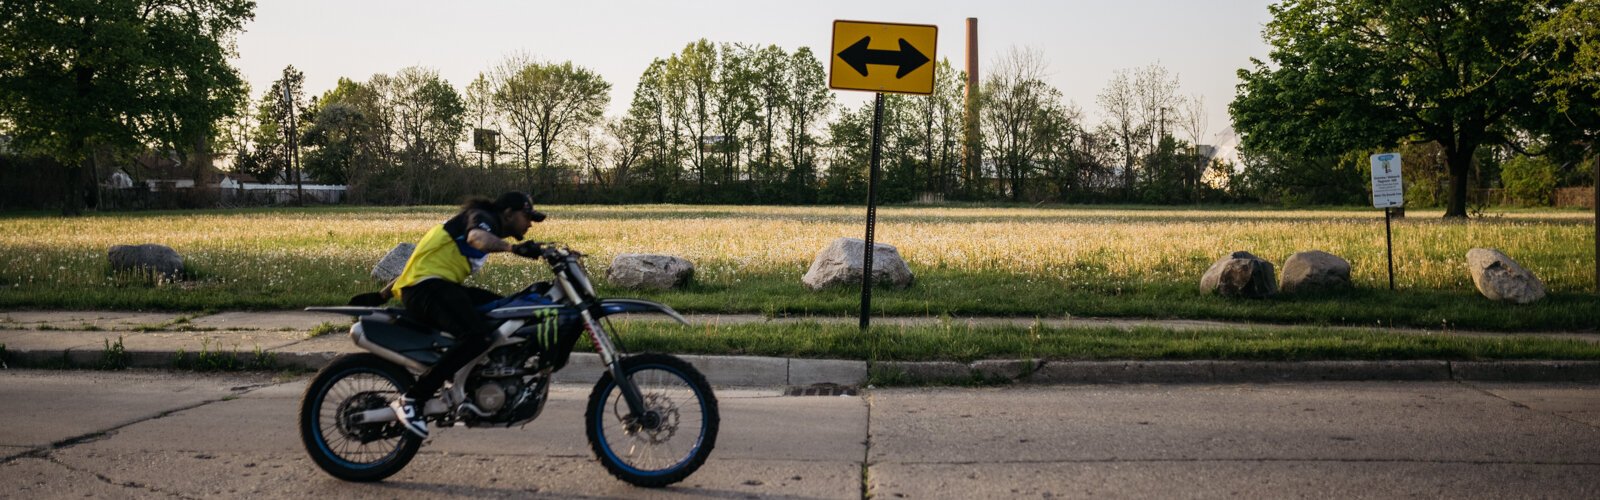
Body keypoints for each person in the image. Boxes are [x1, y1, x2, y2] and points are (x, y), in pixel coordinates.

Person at [385, 192, 547, 439]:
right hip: (427, 288)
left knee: (503, 308)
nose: (530, 223)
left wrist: (382, 295)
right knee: (477, 336)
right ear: (508, 213)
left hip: (434, 285)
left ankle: (479, 377)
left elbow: (419, 260)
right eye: (527, 216)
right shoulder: (481, 218)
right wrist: (513, 248)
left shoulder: (474, 221)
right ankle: (413, 399)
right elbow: (476, 238)